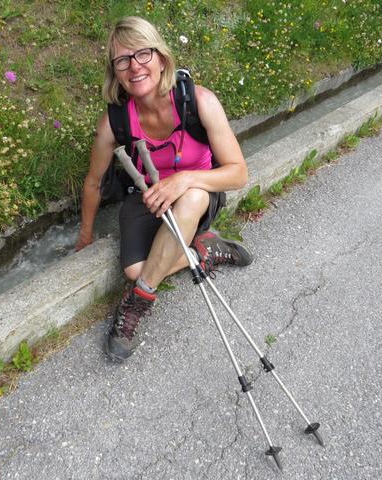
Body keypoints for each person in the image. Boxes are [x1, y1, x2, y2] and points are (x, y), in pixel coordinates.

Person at [75, 16, 252, 362]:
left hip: (199, 196)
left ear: (161, 58)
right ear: (115, 72)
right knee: (134, 269)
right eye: (123, 60)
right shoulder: (115, 121)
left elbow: (238, 173)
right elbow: (94, 181)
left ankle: (137, 302)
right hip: (149, 197)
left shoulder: (200, 101)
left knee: (192, 198)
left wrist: (184, 179)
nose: (134, 67)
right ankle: (205, 251)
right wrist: (85, 234)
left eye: (143, 54)